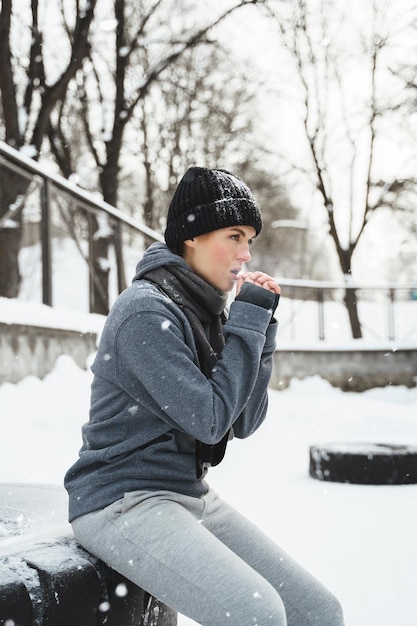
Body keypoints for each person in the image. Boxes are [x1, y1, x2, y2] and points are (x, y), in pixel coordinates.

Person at [64, 167, 344, 626]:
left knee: (317, 611)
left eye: (249, 239)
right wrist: (247, 325)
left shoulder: (205, 308)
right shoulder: (145, 311)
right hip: (121, 502)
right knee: (258, 614)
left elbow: (244, 420)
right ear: (191, 237)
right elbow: (209, 420)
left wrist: (261, 334)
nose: (245, 253)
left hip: (186, 493)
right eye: (234, 236)